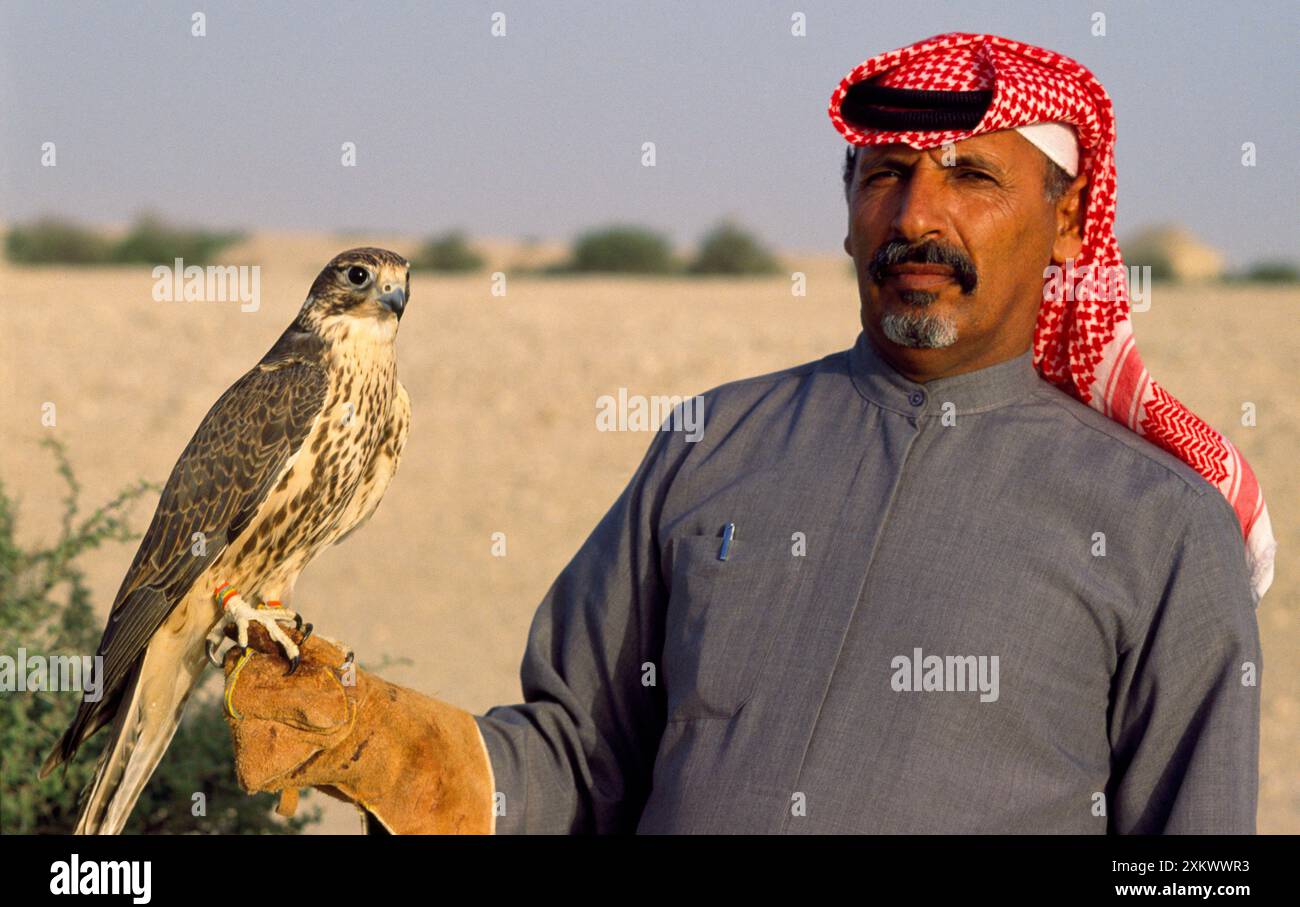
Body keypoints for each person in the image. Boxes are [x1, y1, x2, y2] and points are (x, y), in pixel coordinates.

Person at [219, 33, 1273, 835]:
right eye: (883, 174)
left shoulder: (1160, 526)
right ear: (848, 207)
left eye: (970, 175)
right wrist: (382, 742)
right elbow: (582, 760)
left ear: (1070, 219)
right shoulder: (712, 443)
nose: (915, 215)